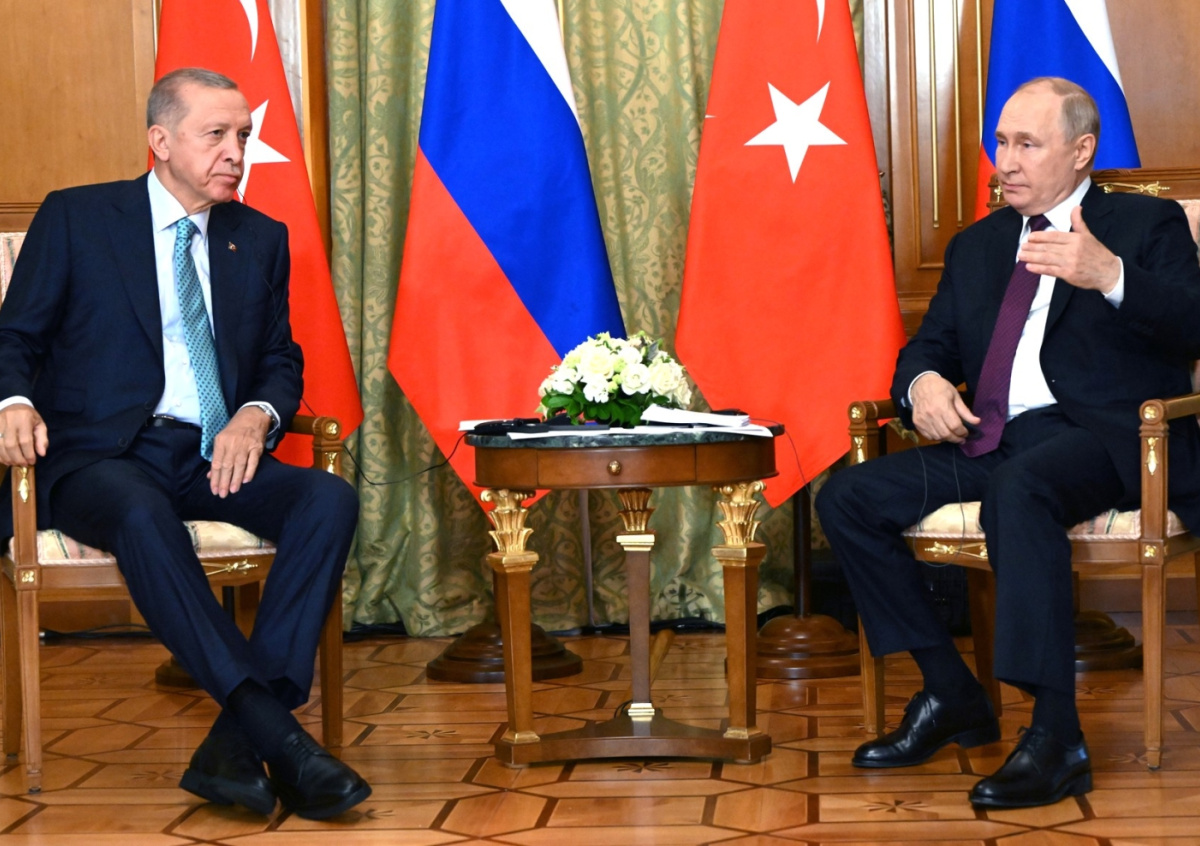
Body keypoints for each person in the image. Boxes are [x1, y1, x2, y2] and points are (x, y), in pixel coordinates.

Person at [817, 77, 1200, 809]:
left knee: (1020, 491)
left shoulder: (1143, 225)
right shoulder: (977, 246)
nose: (1007, 161)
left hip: (1103, 437)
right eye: (1002, 142)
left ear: (1082, 151)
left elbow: (1193, 322)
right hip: (993, 435)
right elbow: (926, 347)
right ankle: (950, 691)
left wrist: (1111, 276)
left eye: (1028, 144)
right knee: (850, 498)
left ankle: (1057, 737)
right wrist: (925, 383)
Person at [0, 68, 370, 820]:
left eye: (244, 136)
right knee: (141, 514)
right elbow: (14, 337)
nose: (236, 151)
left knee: (327, 499)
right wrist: (12, 401)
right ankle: (276, 734)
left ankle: (234, 745)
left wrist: (256, 415)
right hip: (100, 457)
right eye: (217, 135)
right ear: (161, 141)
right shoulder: (78, 217)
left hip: (211, 454)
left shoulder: (258, 237)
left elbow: (279, 359)